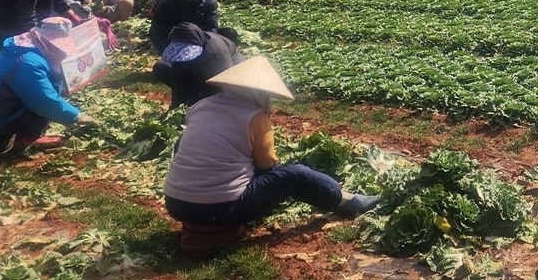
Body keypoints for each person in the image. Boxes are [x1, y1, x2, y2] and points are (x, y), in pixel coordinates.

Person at [162, 57, 378, 245]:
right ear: (259, 93)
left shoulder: (200, 106)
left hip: (175, 203)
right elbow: (267, 166)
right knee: (295, 175)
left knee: (183, 142)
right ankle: (344, 201)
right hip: (223, 208)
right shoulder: (255, 117)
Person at [0, 24, 99, 158]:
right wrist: (76, 116)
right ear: (48, 44)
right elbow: (44, 101)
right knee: (42, 100)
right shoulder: (28, 62)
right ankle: (25, 138)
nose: (62, 54)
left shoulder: (23, 51)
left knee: (48, 89)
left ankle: (24, 135)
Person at [153, 21, 244, 109]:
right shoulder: (182, 52)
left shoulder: (217, 52)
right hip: (199, 69)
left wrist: (204, 107)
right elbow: (178, 79)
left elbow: (223, 84)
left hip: (230, 75)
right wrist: (177, 106)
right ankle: (193, 97)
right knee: (161, 67)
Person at [149, 0, 220, 53]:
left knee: (230, 33)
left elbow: (212, 27)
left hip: (200, 36)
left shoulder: (207, 1)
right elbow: (156, 30)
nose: (188, 0)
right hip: (176, 38)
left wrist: (204, 48)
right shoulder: (167, 3)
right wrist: (165, 50)